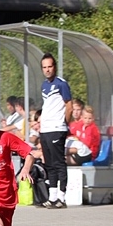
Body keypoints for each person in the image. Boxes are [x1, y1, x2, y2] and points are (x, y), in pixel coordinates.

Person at [39, 53, 72, 209]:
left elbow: (69, 105)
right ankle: (52, 197)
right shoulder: (44, 85)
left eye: (50, 66)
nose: (47, 70)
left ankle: (62, 197)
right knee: (49, 164)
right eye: (44, 67)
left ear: (55, 67)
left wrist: (64, 122)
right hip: (45, 129)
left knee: (59, 163)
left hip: (57, 128)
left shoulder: (61, 84)